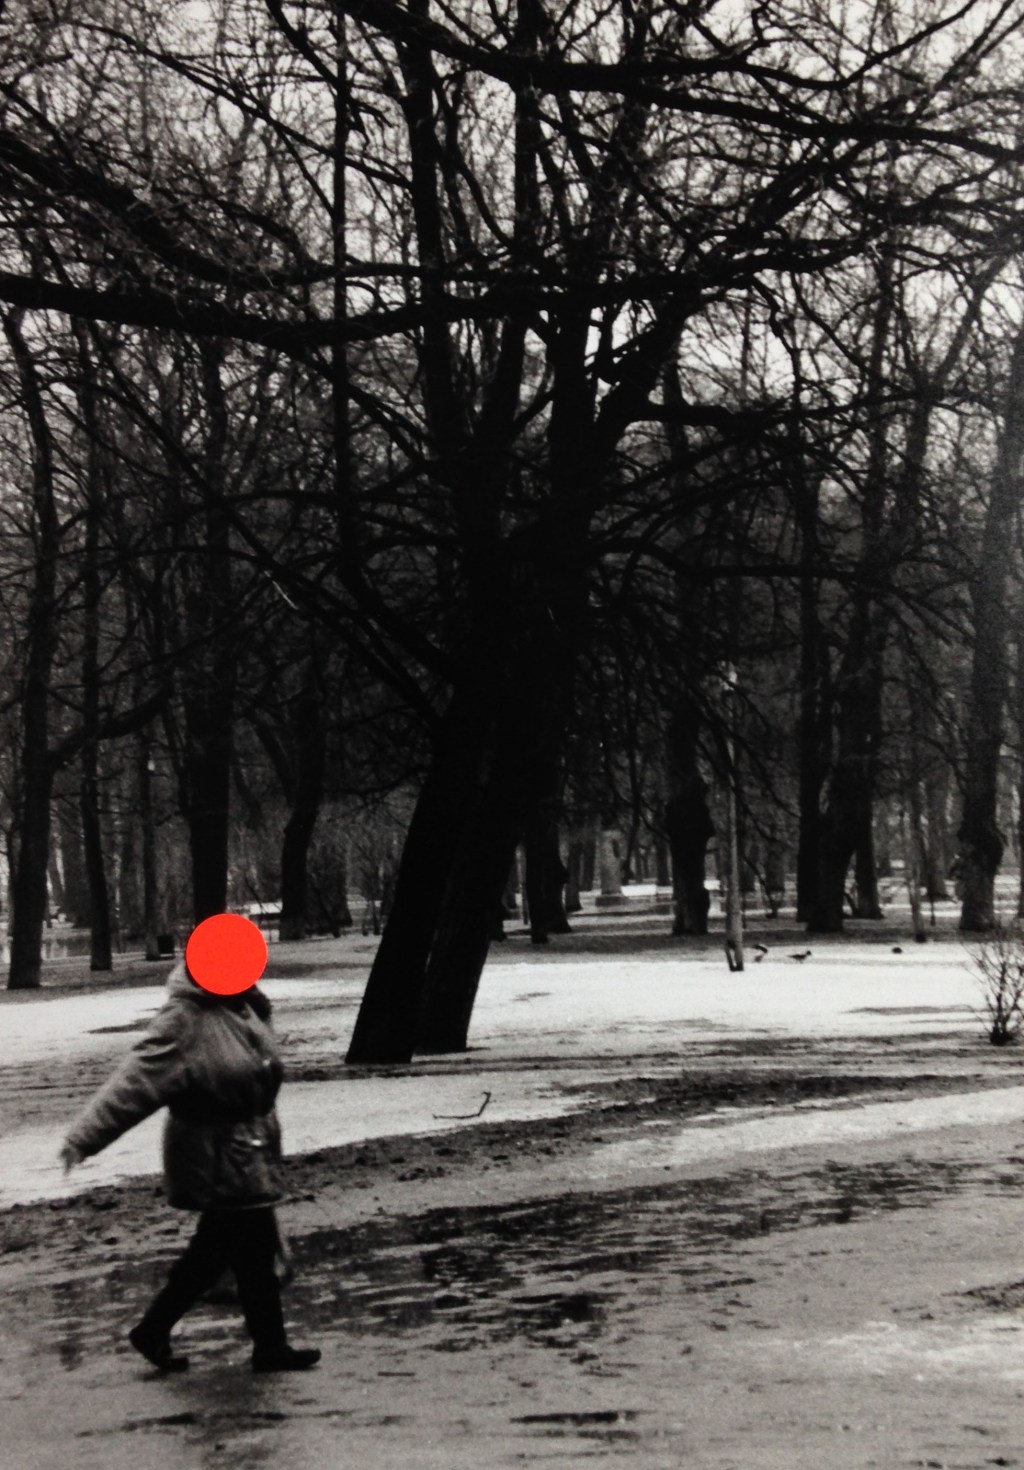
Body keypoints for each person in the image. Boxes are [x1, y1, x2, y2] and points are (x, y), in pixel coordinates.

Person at [60, 956, 320, 1374]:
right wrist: (84, 1138)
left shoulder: (245, 1006)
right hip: (213, 1153)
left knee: (237, 1247)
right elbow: (135, 1080)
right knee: (231, 1245)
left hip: (249, 1146)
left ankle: (257, 1344)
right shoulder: (185, 1018)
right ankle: (179, 1332)